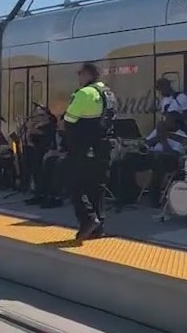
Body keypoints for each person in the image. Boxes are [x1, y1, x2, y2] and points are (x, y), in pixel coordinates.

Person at [61, 62, 117, 240]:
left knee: (74, 183)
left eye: (80, 74)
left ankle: (88, 219)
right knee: (97, 186)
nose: (78, 77)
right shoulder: (109, 93)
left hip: (84, 146)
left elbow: (68, 120)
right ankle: (99, 227)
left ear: (87, 74)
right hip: (104, 146)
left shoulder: (84, 93)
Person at [111, 114, 187, 207]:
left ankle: (155, 198)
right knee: (128, 158)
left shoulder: (180, 135)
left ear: (174, 123)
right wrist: (157, 137)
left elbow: (174, 154)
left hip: (169, 160)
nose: (164, 122)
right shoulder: (159, 131)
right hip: (151, 156)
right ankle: (128, 195)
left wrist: (163, 139)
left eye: (168, 120)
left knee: (159, 161)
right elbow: (145, 145)